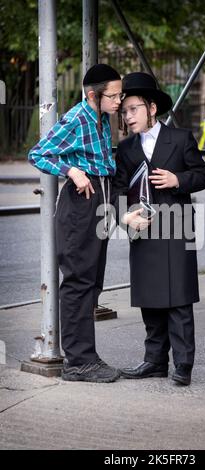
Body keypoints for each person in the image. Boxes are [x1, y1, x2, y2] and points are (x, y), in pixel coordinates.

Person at [112, 72, 205, 385]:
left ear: (152, 108)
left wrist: (177, 180)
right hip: (142, 231)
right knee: (150, 300)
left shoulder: (181, 139)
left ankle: (183, 366)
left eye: (133, 109)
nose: (128, 116)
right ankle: (154, 362)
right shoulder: (126, 149)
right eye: (125, 111)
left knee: (179, 300)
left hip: (177, 228)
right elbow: (116, 190)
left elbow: (204, 175)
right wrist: (123, 217)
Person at [28, 64, 123, 383]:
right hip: (81, 202)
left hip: (102, 198)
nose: (119, 101)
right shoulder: (77, 117)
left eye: (120, 94)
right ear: (93, 95)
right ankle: (79, 362)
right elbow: (38, 154)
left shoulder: (102, 118)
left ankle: (86, 355)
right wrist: (71, 171)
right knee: (79, 281)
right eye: (114, 95)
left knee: (92, 281)